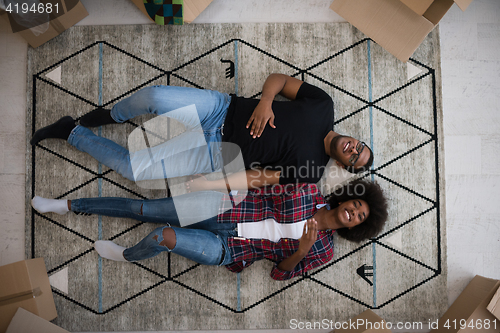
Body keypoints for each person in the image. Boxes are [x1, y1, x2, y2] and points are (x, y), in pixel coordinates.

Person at [30, 74, 374, 189]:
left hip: (216, 154)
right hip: (222, 109)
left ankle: (71, 132)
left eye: (355, 158)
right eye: (361, 145)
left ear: (346, 166)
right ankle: (116, 115)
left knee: (137, 171)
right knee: (155, 96)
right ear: (357, 138)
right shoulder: (323, 106)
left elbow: (260, 179)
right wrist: (266, 101)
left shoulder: (312, 172)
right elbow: (280, 80)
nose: (354, 149)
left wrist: (212, 183)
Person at [31, 180, 388, 280]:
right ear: (347, 199)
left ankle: (128, 255)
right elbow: (264, 189)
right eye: (356, 205)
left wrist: (302, 249)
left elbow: (279, 275)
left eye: (359, 217)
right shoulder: (310, 192)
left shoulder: (324, 251)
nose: (353, 213)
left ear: (357, 227)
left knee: (164, 237)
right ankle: (67, 205)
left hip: (231, 250)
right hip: (223, 209)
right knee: (145, 209)